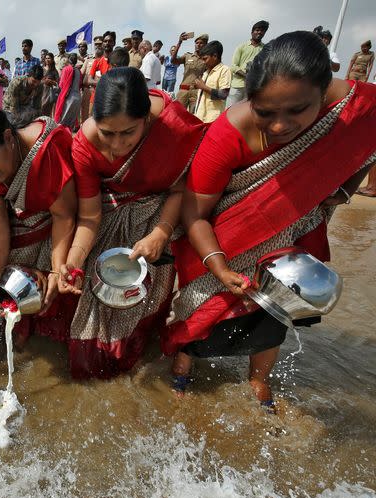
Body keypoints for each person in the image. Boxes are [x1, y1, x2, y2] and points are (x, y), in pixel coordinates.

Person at [163, 31, 376, 408]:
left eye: (297, 111)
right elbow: (194, 212)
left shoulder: (359, 112)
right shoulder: (228, 133)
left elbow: (364, 153)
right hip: (224, 233)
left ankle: (259, 380)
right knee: (200, 303)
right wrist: (218, 264)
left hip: (294, 231)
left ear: (325, 89)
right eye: (265, 112)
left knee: (278, 302)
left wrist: (341, 193)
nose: (279, 126)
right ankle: (185, 358)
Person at [61, 67, 204, 379]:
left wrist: (160, 234)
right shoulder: (84, 145)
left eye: (128, 133)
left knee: (146, 299)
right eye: (107, 133)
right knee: (100, 295)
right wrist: (73, 263)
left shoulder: (172, 128)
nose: (116, 145)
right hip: (109, 217)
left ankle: (141, 361)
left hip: (159, 214)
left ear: (147, 121)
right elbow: (89, 216)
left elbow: (181, 189)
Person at [0, 106, 78, 344]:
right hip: (25, 221)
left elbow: (64, 217)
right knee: (10, 284)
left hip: (66, 217)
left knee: (60, 285)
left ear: (8, 138)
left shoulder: (46, 150)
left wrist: (56, 271)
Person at [227, 20, 269, 107]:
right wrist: (247, 76)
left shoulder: (265, 49)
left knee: (246, 113)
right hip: (238, 85)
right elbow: (233, 66)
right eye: (257, 30)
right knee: (230, 110)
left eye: (262, 31)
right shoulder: (241, 46)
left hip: (253, 88)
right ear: (252, 32)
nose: (259, 32)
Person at [193, 41, 231, 123]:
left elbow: (223, 94)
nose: (203, 62)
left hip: (212, 120)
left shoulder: (224, 70)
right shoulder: (206, 72)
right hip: (200, 117)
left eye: (205, 59)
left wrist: (203, 87)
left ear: (215, 56)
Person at [172, 33, 208, 113]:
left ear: (205, 45)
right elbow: (173, 61)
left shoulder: (207, 60)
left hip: (196, 92)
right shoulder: (187, 56)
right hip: (183, 90)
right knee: (177, 114)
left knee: (192, 117)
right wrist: (179, 42)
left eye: (201, 43)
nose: (198, 45)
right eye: (197, 43)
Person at [53, 53, 81, 129]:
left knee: (62, 123)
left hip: (68, 98)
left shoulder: (66, 69)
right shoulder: (78, 71)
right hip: (77, 97)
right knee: (71, 125)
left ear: (69, 59)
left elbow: (61, 85)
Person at [40, 51, 59, 116]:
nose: (47, 60)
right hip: (41, 92)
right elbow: (37, 80)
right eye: (46, 58)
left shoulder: (54, 71)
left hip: (50, 93)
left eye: (49, 58)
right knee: (40, 109)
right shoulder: (42, 69)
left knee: (48, 111)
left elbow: (58, 83)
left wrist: (51, 82)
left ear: (52, 60)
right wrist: (43, 81)